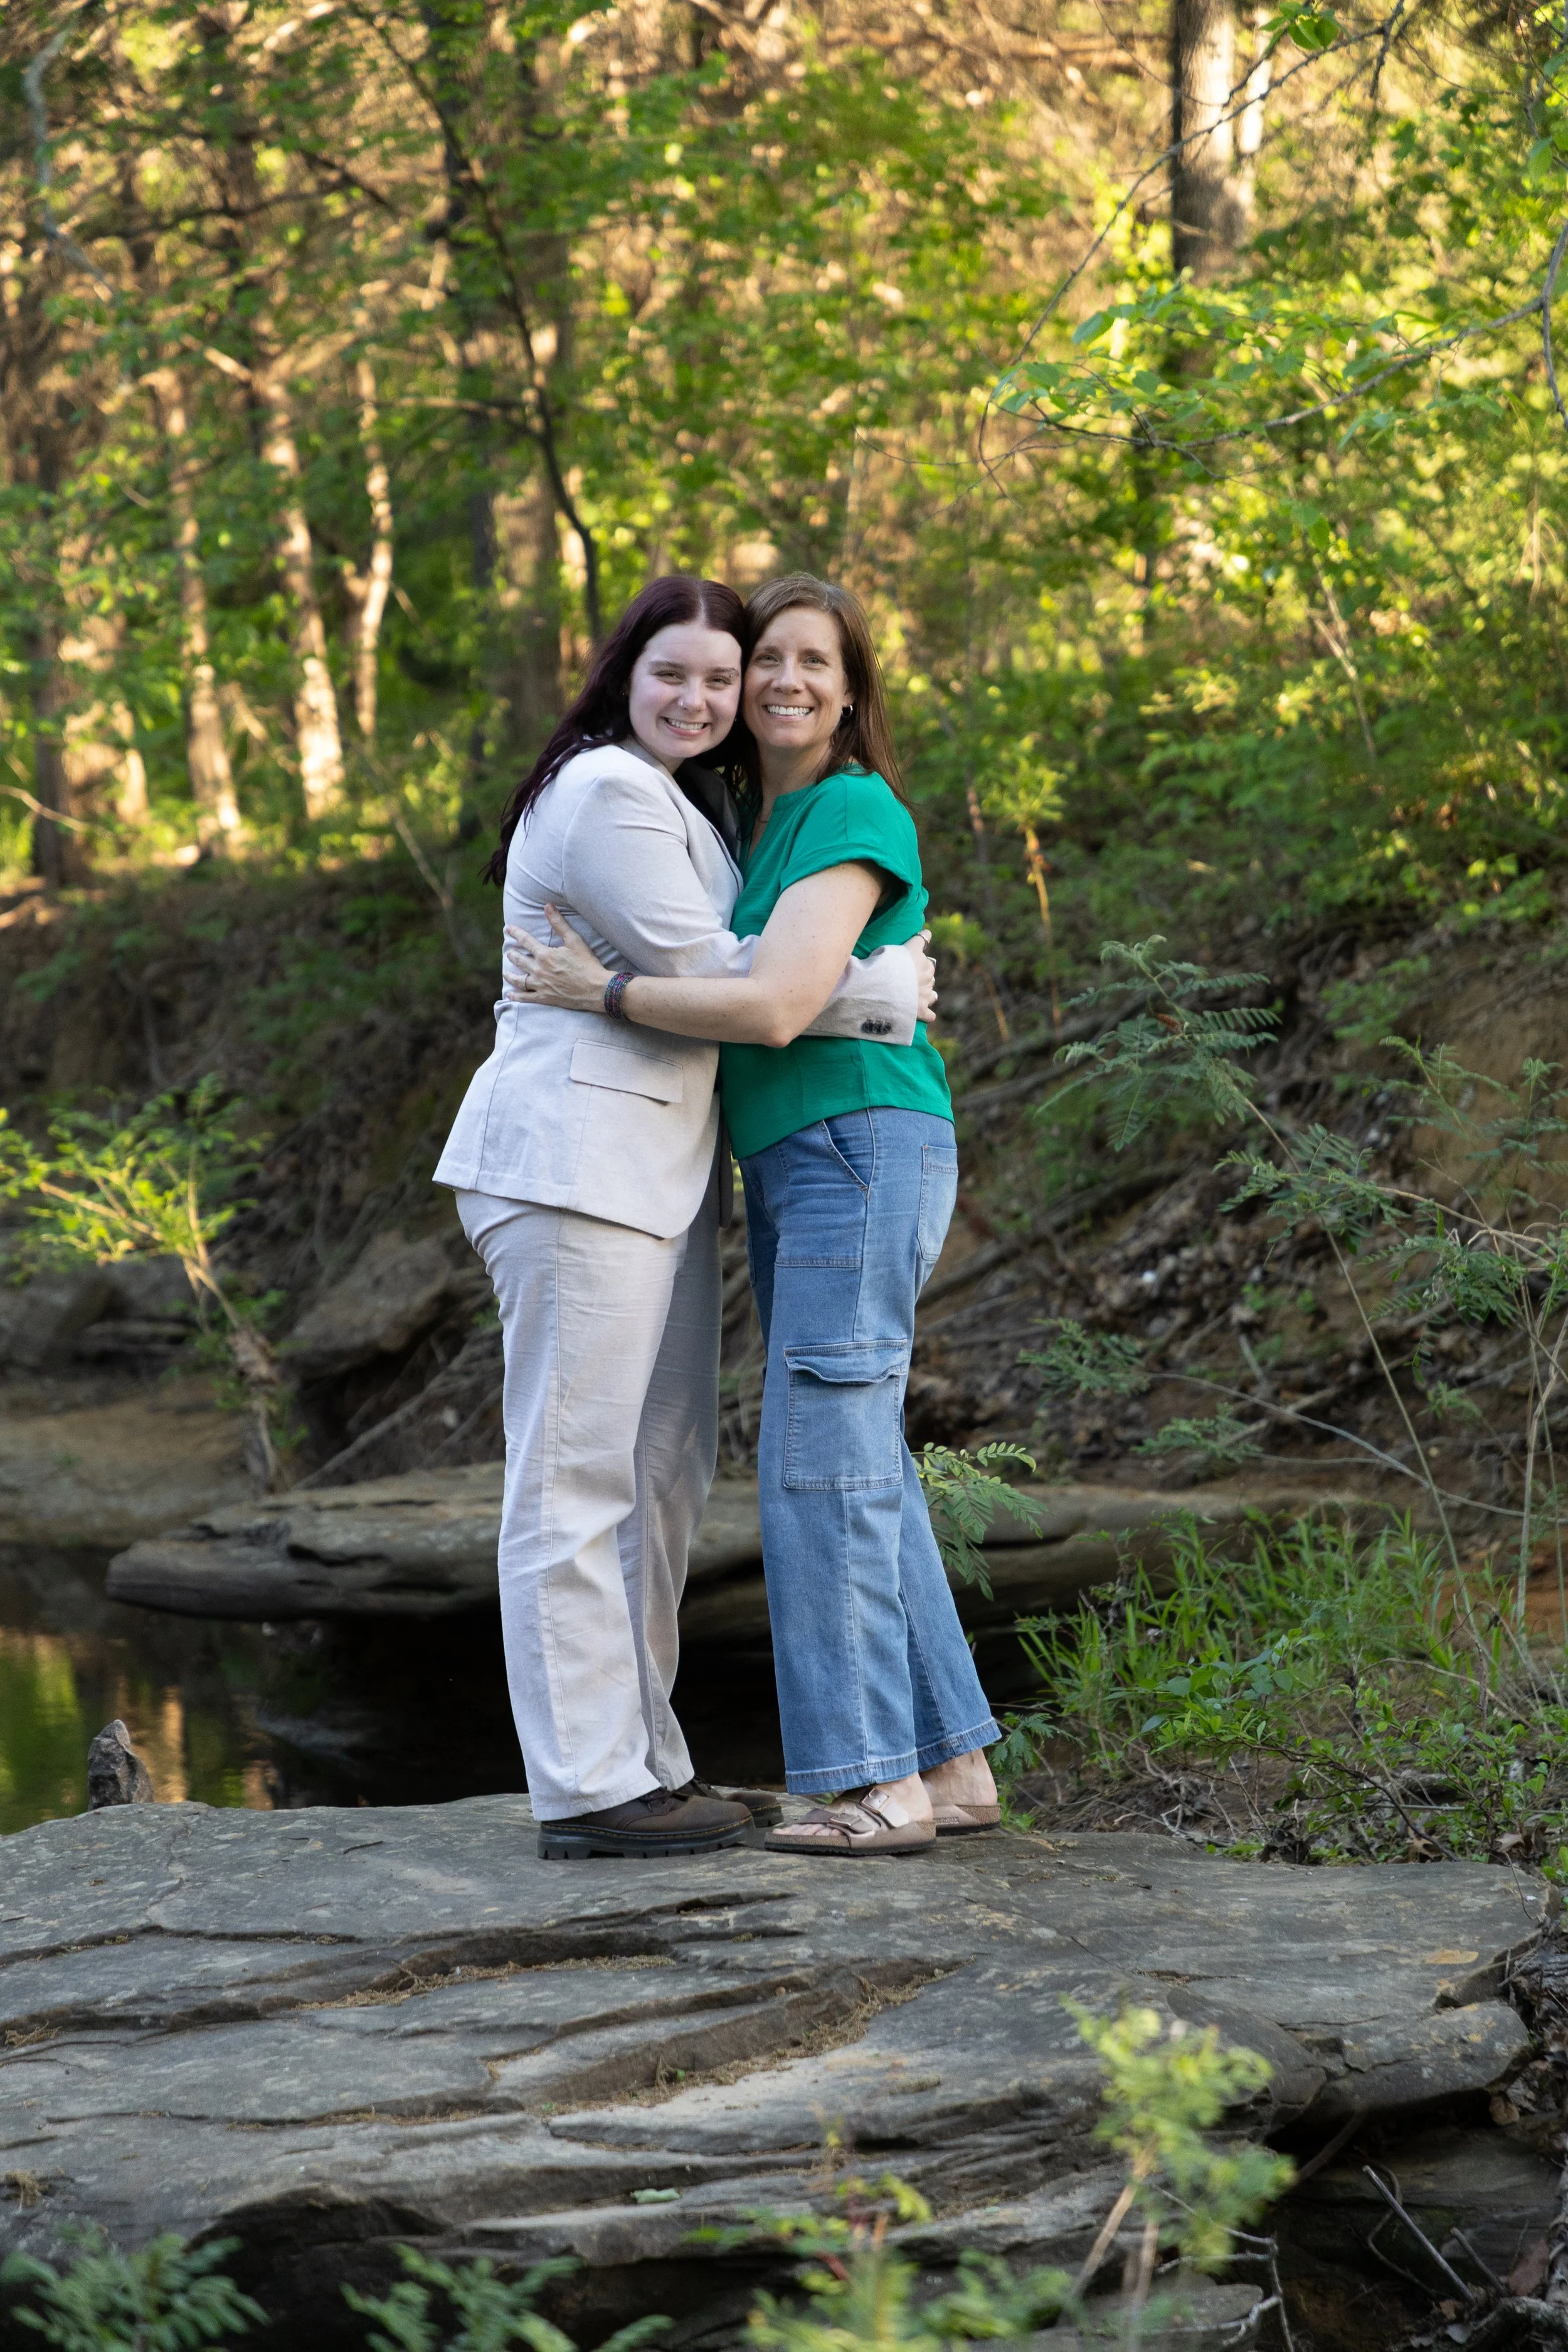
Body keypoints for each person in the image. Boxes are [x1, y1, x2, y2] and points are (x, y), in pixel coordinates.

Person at [434, 574, 937, 1861]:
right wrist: (876, 987)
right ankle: (587, 1789)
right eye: (676, 673)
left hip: (649, 1178)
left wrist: (809, 970)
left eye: (719, 679)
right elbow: (736, 976)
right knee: (576, 1474)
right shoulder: (606, 791)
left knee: (660, 1474)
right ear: (623, 674)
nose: (702, 697)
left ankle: (646, 1764)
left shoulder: (695, 807)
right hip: (571, 1162)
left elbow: (749, 963)